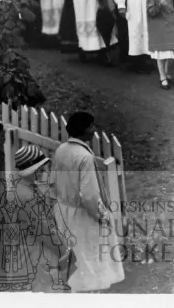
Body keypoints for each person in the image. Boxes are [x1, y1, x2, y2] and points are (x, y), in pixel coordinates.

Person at [52, 112, 125, 292]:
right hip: (82, 215)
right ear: (84, 130)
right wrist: (103, 215)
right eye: (91, 126)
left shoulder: (61, 150)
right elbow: (90, 196)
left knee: (73, 257)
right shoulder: (85, 157)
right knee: (91, 260)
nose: (94, 130)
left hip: (64, 211)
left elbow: (53, 181)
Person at [12, 145, 73, 292]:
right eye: (40, 168)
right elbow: (43, 230)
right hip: (35, 254)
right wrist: (63, 250)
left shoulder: (23, 188)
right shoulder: (27, 195)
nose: (43, 172)